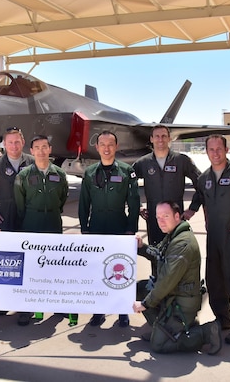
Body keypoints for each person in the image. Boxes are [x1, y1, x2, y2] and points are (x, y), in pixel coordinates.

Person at [185, 134, 230, 344]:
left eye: (219, 149)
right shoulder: (204, 177)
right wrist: (190, 211)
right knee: (215, 281)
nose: (215, 153)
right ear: (206, 152)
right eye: (211, 149)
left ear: (226, 150)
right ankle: (224, 319)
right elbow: (199, 196)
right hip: (214, 238)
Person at [132, 201, 221, 355]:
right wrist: (142, 247)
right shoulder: (174, 234)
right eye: (158, 217)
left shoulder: (182, 243)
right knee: (139, 289)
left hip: (181, 301)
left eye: (165, 216)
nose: (161, 221)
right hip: (172, 296)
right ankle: (162, 329)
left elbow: (167, 281)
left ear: (177, 216)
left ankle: (205, 332)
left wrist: (146, 303)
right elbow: (158, 254)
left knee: (158, 346)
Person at [78, 130, 140, 327]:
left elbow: (134, 202)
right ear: (96, 147)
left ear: (116, 147)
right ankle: (98, 311)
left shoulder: (126, 171)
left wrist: (131, 229)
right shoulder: (89, 173)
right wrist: (85, 228)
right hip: (96, 227)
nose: (106, 148)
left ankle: (123, 311)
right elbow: (83, 203)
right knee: (97, 270)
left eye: (110, 144)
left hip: (119, 227)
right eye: (102, 144)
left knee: (121, 270)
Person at [14, 135, 70, 326]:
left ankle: (57, 303)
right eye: (37, 147)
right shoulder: (23, 175)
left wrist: (52, 209)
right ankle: (26, 308)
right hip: (32, 221)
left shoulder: (60, 174)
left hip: (53, 221)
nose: (41, 151)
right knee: (30, 267)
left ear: (50, 149)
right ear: (31, 151)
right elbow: (19, 203)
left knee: (55, 265)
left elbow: (63, 197)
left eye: (44, 147)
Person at [133, 125, 201, 274]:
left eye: (164, 136)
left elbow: (201, 182)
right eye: (156, 136)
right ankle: (157, 286)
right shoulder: (143, 163)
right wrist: (138, 206)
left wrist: (193, 208)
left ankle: (178, 291)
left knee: (178, 255)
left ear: (170, 138)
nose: (160, 139)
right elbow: (128, 185)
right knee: (154, 254)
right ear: (151, 139)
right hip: (154, 219)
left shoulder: (181, 160)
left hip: (176, 220)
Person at [0, 127, 34, 230]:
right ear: (4, 144)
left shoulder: (32, 163)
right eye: (10, 142)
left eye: (17, 142)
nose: (14, 146)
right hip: (5, 218)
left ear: (23, 142)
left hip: (29, 216)